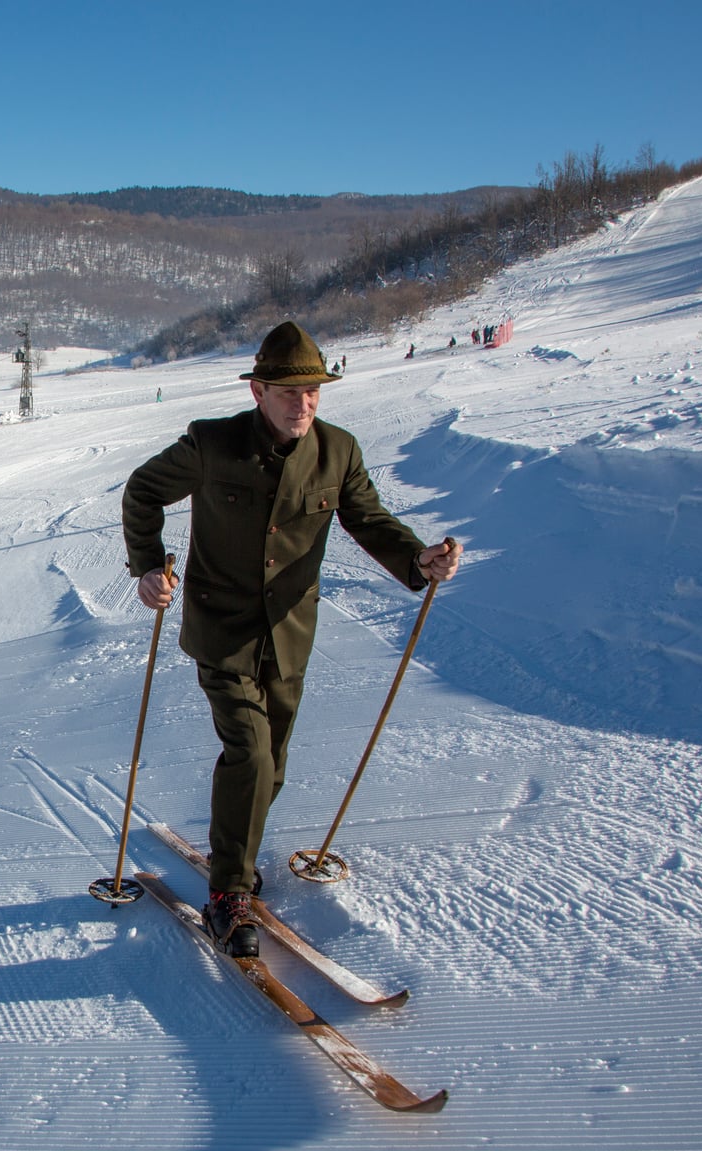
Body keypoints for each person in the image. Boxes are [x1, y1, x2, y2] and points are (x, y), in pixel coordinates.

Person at [121, 320, 460, 958]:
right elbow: (142, 492)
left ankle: (237, 853)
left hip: (289, 637)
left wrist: (419, 562)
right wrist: (148, 564)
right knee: (250, 753)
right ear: (257, 390)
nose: (303, 404)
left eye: (314, 392)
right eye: (288, 392)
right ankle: (229, 893)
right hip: (221, 631)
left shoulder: (339, 452)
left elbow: (371, 521)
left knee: (270, 767)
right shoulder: (211, 444)